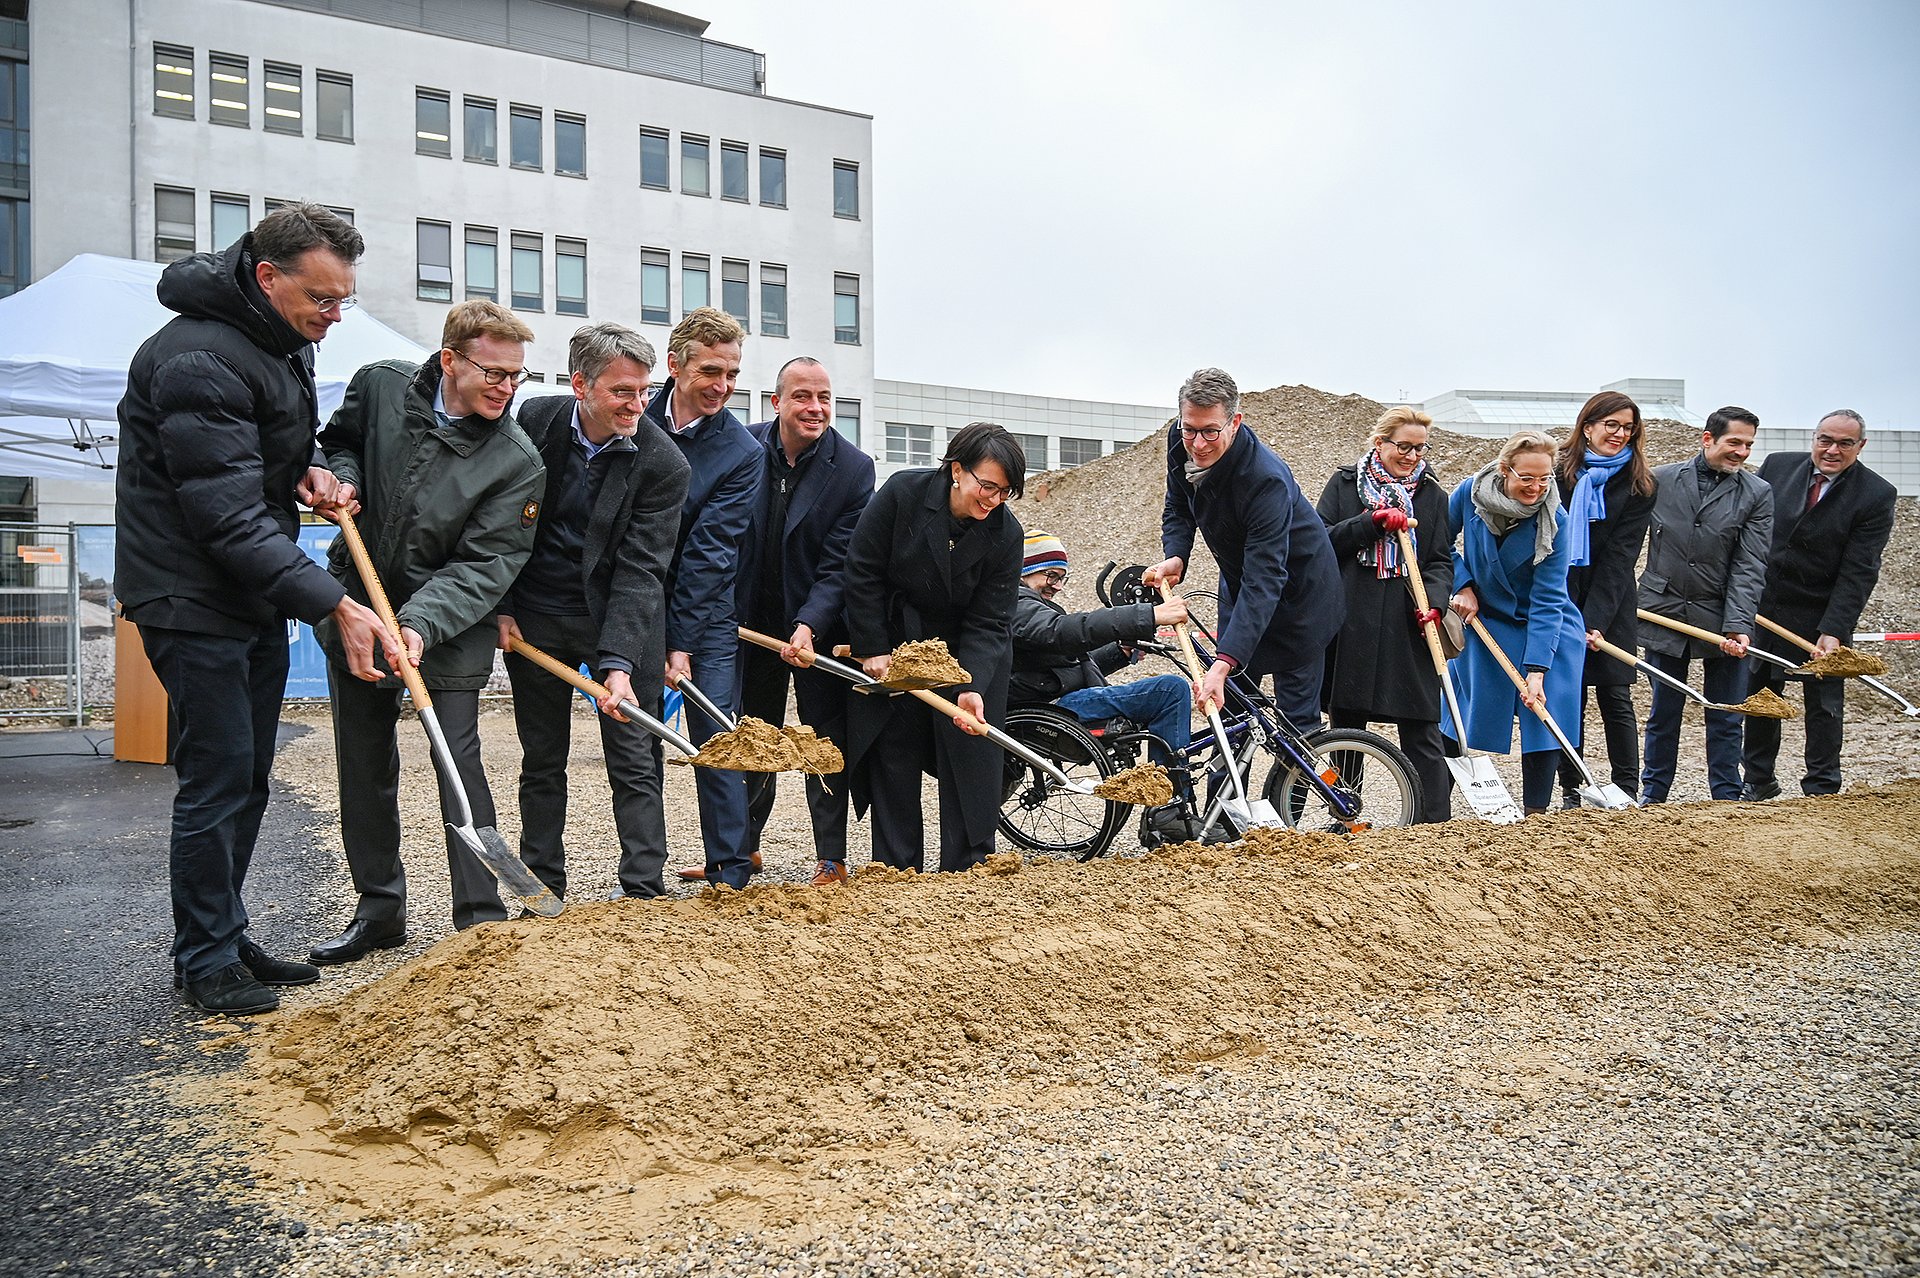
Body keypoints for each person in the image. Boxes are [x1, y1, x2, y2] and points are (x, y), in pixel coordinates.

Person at [115, 202, 395, 1015]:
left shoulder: (277, 341)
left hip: (244, 592)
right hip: (190, 591)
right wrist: (333, 605)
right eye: (322, 299)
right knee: (216, 776)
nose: (334, 316)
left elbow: (255, 457)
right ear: (267, 277)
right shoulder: (199, 356)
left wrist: (303, 469)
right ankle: (204, 959)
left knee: (248, 774)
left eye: (344, 299)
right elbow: (225, 515)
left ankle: (224, 931)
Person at [309, 301, 546, 962]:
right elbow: (340, 441)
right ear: (450, 360)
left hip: (448, 623)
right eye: (494, 373)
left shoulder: (516, 460)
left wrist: (417, 624)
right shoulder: (381, 385)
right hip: (358, 603)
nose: (506, 388)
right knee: (362, 761)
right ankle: (379, 911)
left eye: (516, 377)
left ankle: (481, 914)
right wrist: (345, 480)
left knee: (456, 757)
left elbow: (487, 563)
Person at [500, 324, 690, 901]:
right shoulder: (535, 421)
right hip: (535, 614)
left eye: (643, 392)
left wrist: (618, 665)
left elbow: (641, 571)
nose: (638, 405)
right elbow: (501, 521)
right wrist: (502, 608)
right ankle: (541, 889)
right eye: (622, 392)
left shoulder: (664, 465)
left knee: (634, 757)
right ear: (581, 384)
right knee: (542, 757)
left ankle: (643, 889)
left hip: (619, 618)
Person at [842, 422, 1026, 872]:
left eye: (1005, 492)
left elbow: (991, 621)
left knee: (970, 753)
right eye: (988, 486)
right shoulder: (904, 493)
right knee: (894, 750)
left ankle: (968, 867)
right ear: (957, 470)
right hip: (897, 644)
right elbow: (863, 569)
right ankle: (895, 866)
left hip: (968, 651)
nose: (993, 500)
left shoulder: (1006, 533)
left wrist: (972, 685)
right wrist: (873, 646)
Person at [730, 356, 875, 887]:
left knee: (822, 738)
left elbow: (840, 564)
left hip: (820, 627)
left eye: (824, 398)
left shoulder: (855, 469)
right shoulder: (742, 448)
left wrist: (810, 624)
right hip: (751, 625)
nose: (815, 408)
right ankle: (741, 851)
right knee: (753, 735)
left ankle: (831, 857)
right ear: (776, 402)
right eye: (802, 397)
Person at [1146, 367, 1344, 730]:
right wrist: (1177, 554)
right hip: (1240, 585)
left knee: (1296, 726)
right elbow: (1177, 504)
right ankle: (1228, 787)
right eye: (1190, 429)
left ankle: (1294, 788)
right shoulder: (1181, 441)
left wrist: (1222, 663)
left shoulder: (1264, 480)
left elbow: (1265, 577)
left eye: (1210, 431)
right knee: (1227, 709)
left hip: (1300, 599)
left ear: (1234, 421)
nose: (1199, 444)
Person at [644, 307, 761, 890]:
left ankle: (730, 871)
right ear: (675, 365)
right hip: (632, 602)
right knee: (636, 739)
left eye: (732, 373)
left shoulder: (741, 452)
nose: (722, 386)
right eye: (710, 371)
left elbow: (711, 554)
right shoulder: (633, 416)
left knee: (717, 736)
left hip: (706, 611)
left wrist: (680, 641)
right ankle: (643, 874)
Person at [1740, 409, 1897, 800]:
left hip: (1819, 612)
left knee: (1824, 705)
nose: (1832, 450)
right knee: (1761, 697)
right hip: (1765, 605)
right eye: (1825, 439)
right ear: (1814, 438)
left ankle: (1822, 788)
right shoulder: (1778, 467)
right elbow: (1751, 529)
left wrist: (1834, 629)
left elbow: (1860, 570)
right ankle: (1758, 782)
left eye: (1845, 443)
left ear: (1860, 447)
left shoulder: (1876, 494)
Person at [1008, 529, 1198, 847]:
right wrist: (1146, 616)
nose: (1056, 585)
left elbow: (1071, 665)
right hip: (1055, 708)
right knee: (1171, 690)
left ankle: (1166, 806)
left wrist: (1120, 651)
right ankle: (1168, 810)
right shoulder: (1016, 601)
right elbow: (1065, 631)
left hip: (1061, 699)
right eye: (1050, 575)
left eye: (1062, 578)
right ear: (1025, 569)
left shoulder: (1032, 608)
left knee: (1167, 692)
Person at [1316, 405, 1453, 824]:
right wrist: (1369, 523)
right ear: (1380, 443)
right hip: (1351, 620)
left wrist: (1434, 600)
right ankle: (1347, 818)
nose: (1411, 456)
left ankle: (1434, 824)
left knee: (1421, 725)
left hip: (1407, 623)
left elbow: (1440, 560)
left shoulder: (1432, 494)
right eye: (1403, 446)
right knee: (1348, 730)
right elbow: (1318, 544)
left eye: (1419, 448)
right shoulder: (1344, 484)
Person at [1444, 431, 1588, 815]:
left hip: (1542, 624)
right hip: (1483, 617)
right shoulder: (1469, 494)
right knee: (1457, 704)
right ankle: (1434, 805)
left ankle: (1535, 815)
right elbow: (1435, 544)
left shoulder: (1555, 519)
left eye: (1544, 479)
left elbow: (1548, 598)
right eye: (1527, 478)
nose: (1536, 488)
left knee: (1544, 709)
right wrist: (1463, 585)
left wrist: (1537, 669)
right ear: (1505, 469)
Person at [1637, 406, 1774, 804]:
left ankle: (1727, 797)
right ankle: (1654, 794)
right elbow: (1625, 541)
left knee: (1727, 712)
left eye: (1748, 444)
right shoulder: (1660, 480)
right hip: (1662, 610)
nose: (1742, 452)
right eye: (1735, 442)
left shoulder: (1757, 494)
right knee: (1664, 711)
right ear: (1708, 438)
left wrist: (1738, 623)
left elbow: (1751, 564)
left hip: (1722, 613)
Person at [1552, 391, 1657, 808]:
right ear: (1588, 426)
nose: (1619, 434)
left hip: (1611, 602)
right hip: (1558, 593)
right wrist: (1566, 611)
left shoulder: (1639, 484)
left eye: (1627, 427)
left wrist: (1593, 619)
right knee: (1568, 694)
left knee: (1615, 694)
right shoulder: (1558, 473)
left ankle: (1626, 790)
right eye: (1610, 424)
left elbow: (1620, 557)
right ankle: (1572, 788)